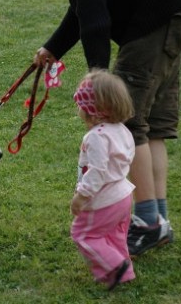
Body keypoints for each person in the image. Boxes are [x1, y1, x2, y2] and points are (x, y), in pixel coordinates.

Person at [0, 0, 181, 257]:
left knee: (126, 122)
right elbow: (82, 8)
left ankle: (149, 222)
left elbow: (95, 19)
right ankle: (158, 221)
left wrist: (97, 77)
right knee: (150, 126)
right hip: (172, 11)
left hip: (158, 17)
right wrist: (53, 48)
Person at [70, 70, 135, 290]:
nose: (78, 109)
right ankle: (124, 273)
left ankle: (116, 266)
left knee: (83, 234)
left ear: (95, 112)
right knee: (114, 235)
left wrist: (81, 196)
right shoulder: (121, 130)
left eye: (81, 105)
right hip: (123, 196)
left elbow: (97, 171)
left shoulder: (97, 137)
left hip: (103, 199)